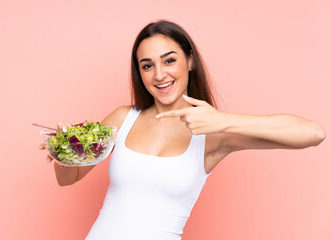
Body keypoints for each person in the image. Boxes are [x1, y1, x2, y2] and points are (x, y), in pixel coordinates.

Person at [40, 20, 326, 240]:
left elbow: (313, 133)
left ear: (190, 61)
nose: (160, 75)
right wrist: (64, 149)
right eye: (147, 65)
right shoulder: (122, 119)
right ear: (139, 73)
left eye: (169, 60)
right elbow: (69, 178)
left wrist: (223, 121)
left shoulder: (214, 135)